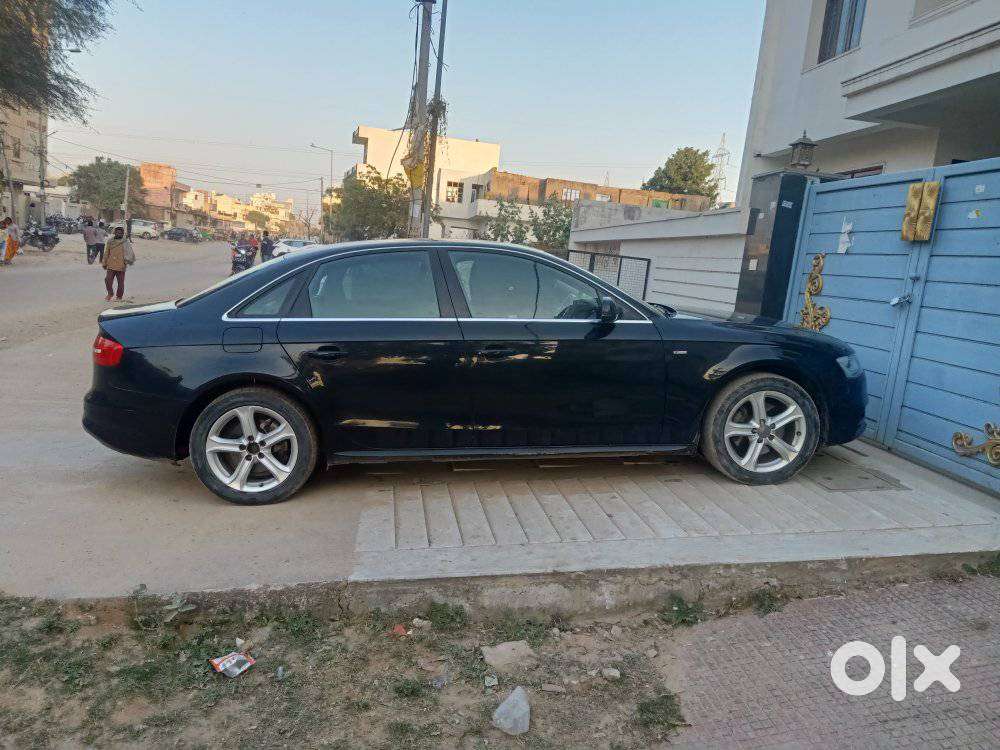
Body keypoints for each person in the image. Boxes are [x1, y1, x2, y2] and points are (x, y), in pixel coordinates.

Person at [101, 225, 134, 301]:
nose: (119, 234)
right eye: (117, 232)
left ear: (123, 234)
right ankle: (110, 293)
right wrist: (104, 262)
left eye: (121, 233)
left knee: (120, 283)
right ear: (115, 233)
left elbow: (129, 254)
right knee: (107, 280)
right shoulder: (110, 241)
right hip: (111, 264)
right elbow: (106, 253)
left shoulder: (125, 242)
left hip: (121, 265)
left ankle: (119, 297)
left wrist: (125, 262)